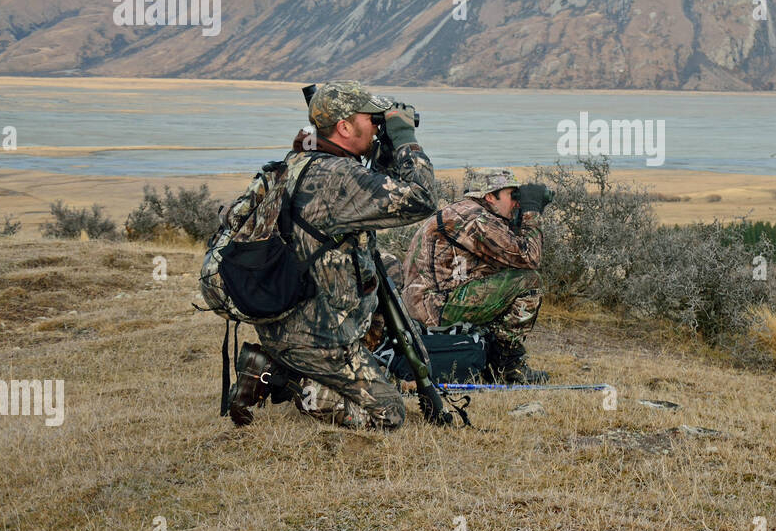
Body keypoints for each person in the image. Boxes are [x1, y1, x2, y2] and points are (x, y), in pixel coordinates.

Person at [225, 80, 436, 429]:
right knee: (388, 415)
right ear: (344, 127)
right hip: (312, 333)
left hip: (286, 314)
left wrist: (382, 149)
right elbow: (420, 199)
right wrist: (405, 140)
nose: (378, 125)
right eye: (373, 119)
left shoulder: (304, 160)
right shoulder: (336, 176)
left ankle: (281, 362)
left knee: (389, 269)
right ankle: (283, 378)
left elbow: (375, 200)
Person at [401, 168, 551, 383]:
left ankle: (489, 355)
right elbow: (529, 258)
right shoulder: (476, 219)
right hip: (437, 307)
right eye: (512, 196)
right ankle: (506, 367)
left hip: (431, 302)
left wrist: (520, 217)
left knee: (506, 277)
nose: (517, 202)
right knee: (529, 281)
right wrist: (532, 211)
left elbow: (506, 258)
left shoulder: (466, 212)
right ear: (490, 196)